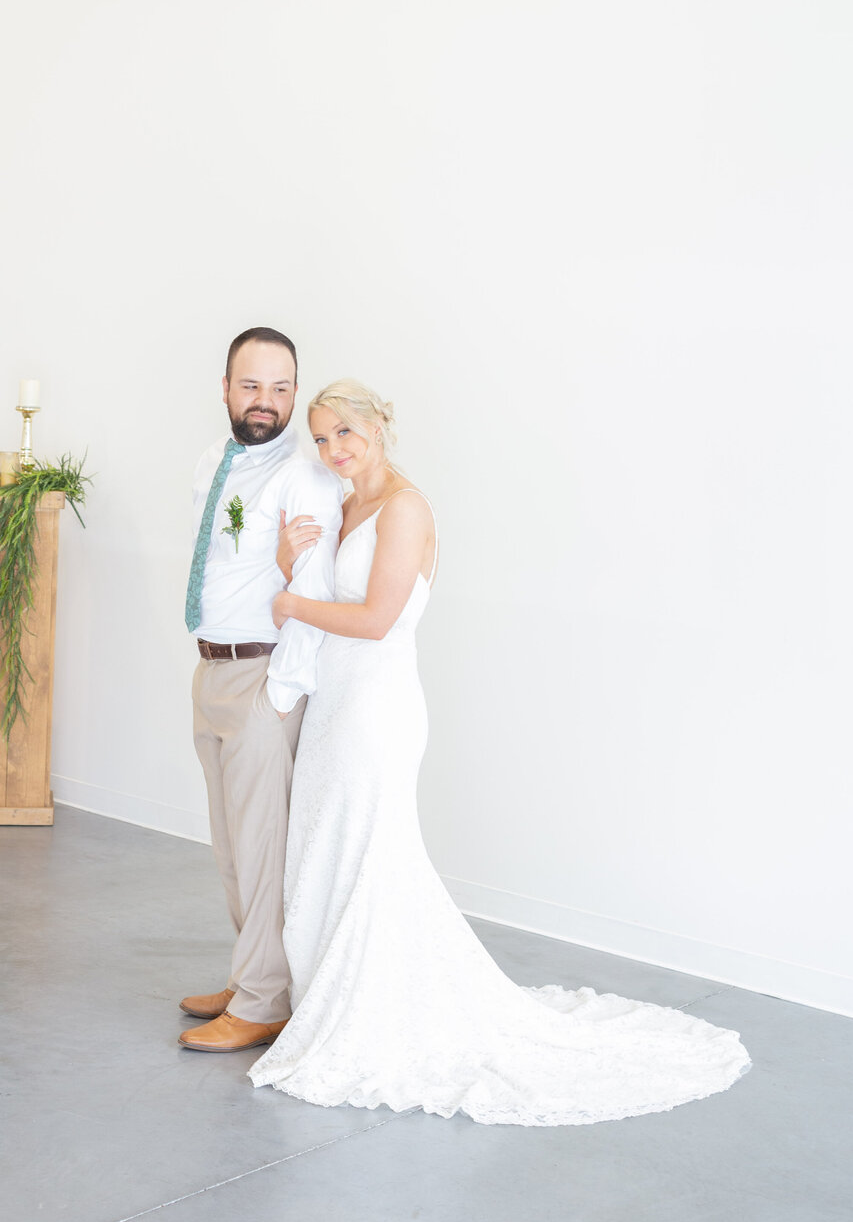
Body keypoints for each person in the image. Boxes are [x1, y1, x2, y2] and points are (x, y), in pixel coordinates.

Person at [248, 379, 751, 1125]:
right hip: (333, 704)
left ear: (381, 425)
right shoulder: (345, 503)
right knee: (329, 848)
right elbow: (330, 606)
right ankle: (331, 1000)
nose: (333, 450)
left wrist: (288, 603)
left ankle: (372, 1013)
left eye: (344, 433)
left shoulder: (406, 508)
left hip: (375, 708)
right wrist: (294, 571)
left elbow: (379, 618)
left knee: (369, 853)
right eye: (321, 439)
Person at [178, 328, 343, 1054]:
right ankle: (250, 975)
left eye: (281, 389)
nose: (266, 403)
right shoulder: (215, 461)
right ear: (224, 387)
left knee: (261, 846)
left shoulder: (301, 480)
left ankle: (263, 1001)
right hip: (211, 669)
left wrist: (278, 697)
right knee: (231, 848)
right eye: (252, 386)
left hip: (259, 678)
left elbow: (312, 594)